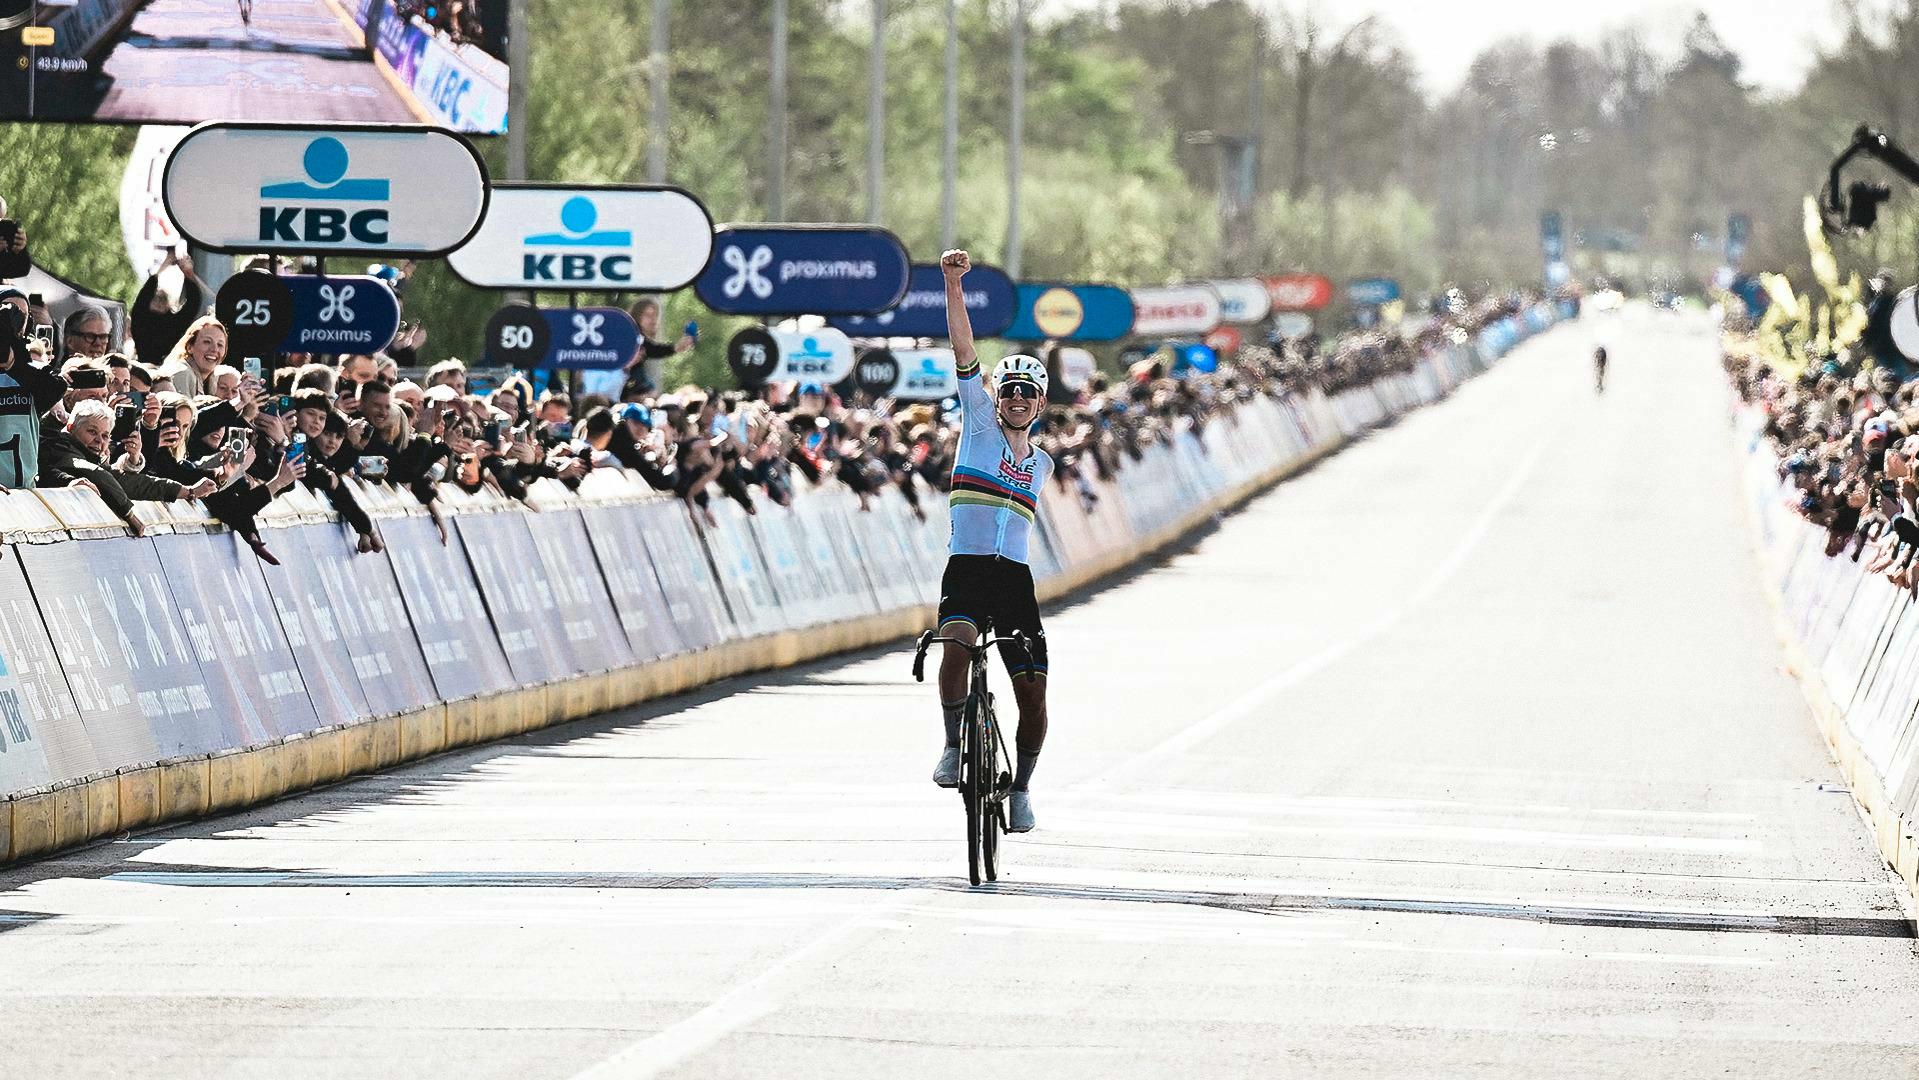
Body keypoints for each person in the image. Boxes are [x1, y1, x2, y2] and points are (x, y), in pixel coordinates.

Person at [929, 249, 1054, 834]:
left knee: (1034, 697)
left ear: (1040, 404)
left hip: (1015, 582)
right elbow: (962, 348)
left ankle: (1022, 787)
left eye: (1028, 394)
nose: (1017, 400)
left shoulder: (1044, 464)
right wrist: (953, 283)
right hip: (968, 569)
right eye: (1011, 391)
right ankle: (955, 746)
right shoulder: (977, 421)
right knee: (953, 647)